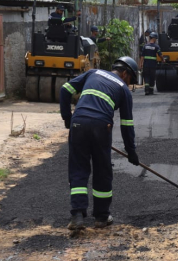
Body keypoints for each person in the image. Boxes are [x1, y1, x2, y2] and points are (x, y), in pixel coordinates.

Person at [60, 57, 141, 230]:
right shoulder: (123, 89)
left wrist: (68, 118)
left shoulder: (93, 72)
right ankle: (101, 217)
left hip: (78, 123)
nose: (129, 85)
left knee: (78, 168)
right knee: (102, 169)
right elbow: (127, 124)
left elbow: (65, 89)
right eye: (130, 81)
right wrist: (131, 151)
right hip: (101, 127)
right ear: (125, 73)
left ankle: (77, 215)